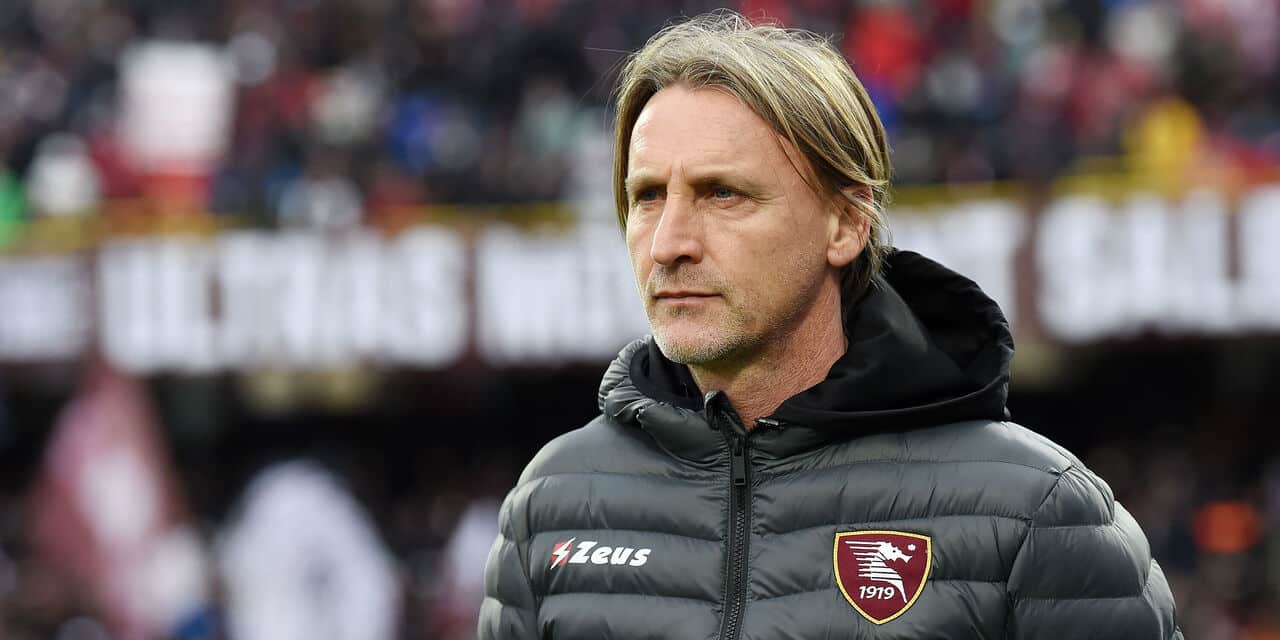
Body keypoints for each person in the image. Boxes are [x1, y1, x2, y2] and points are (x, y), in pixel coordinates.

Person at [480, 11, 1182, 639]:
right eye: (647, 196)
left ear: (846, 222)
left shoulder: (1036, 512)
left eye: (723, 193)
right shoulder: (554, 505)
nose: (669, 242)